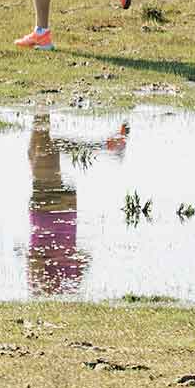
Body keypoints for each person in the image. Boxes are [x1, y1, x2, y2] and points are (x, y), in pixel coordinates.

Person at [25, 114, 128, 296]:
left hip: (57, 215)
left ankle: (109, 145)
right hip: (50, 213)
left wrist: (61, 248)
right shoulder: (43, 290)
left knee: (36, 148)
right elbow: (36, 262)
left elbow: (84, 261)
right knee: (46, 146)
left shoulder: (65, 287)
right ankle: (108, 146)